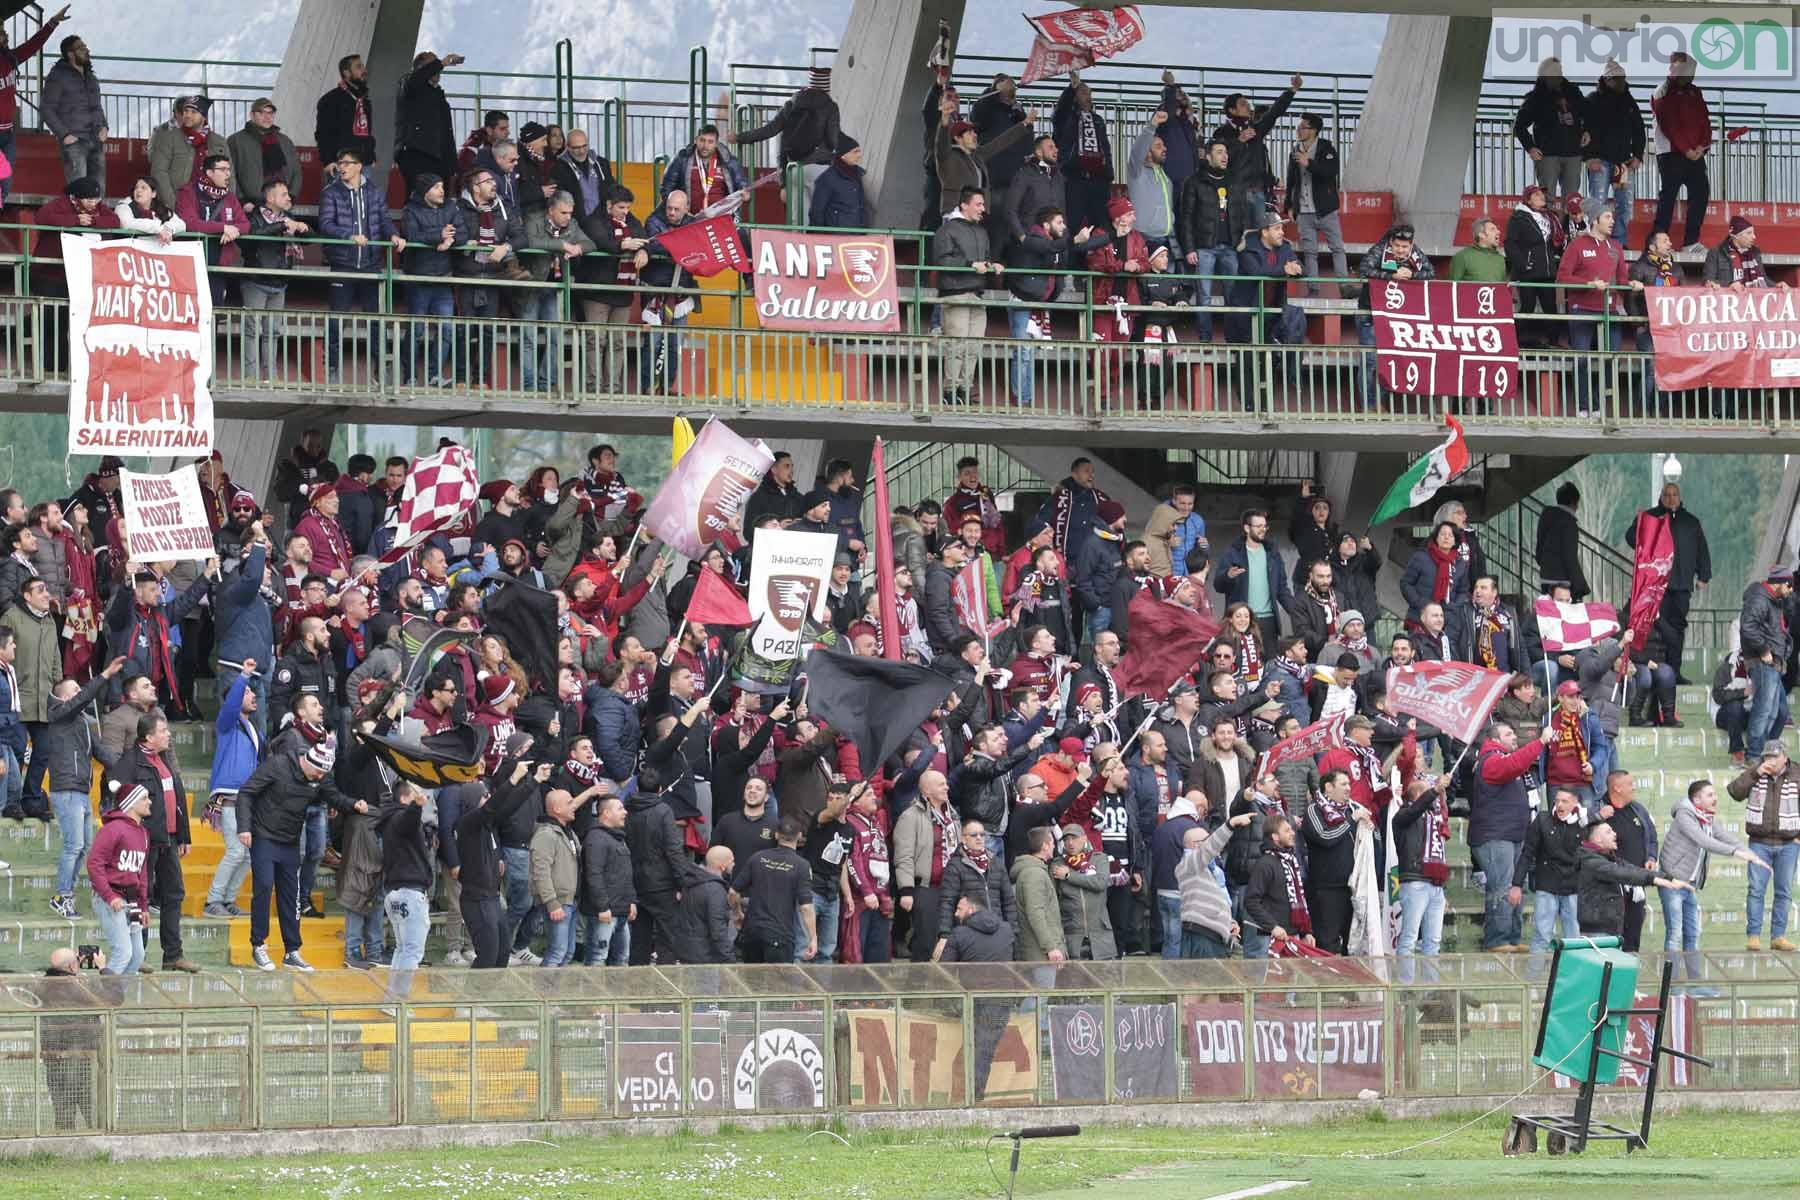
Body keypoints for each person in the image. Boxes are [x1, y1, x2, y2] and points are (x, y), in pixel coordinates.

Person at [237, 740, 365, 972]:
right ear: (307, 762)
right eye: (316, 772)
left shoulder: (320, 777)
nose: (318, 777)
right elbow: (247, 792)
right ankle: (259, 945)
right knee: (264, 887)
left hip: (290, 841)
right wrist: (244, 827)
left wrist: (354, 804)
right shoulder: (277, 765)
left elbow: (334, 796)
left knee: (291, 896)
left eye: (322, 774)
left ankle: (292, 950)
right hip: (264, 835)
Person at [318, 148, 406, 384]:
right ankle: (332, 370)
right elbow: (325, 224)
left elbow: (385, 220)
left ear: (359, 166)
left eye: (347, 163)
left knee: (377, 320)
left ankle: (380, 373)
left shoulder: (374, 192)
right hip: (343, 264)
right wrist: (349, 235)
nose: (342, 167)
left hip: (370, 264)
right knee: (337, 320)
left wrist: (395, 236)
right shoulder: (331, 192)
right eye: (340, 163)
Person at [1662, 780, 1762, 978]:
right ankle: (1671, 987)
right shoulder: (1685, 815)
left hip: (1689, 885)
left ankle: (1695, 983)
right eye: (1709, 795)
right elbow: (1704, 841)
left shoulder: (1706, 817)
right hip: (1672, 881)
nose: (1715, 798)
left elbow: (1725, 837)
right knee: (1675, 934)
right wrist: (1736, 853)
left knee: (1692, 934)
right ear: (1696, 799)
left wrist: (1751, 853)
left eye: (1714, 794)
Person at [1469, 720, 1551, 952]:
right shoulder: (1491, 760)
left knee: (1516, 887)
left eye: (1514, 732)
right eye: (1508, 733)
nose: (1514, 736)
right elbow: (1514, 763)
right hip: (1495, 836)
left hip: (1512, 835)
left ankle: (1513, 938)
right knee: (1503, 887)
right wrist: (1541, 741)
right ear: (1494, 739)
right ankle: (1498, 940)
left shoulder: (1503, 760)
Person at [1556, 207, 1638, 415]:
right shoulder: (1577, 245)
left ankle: (1598, 404)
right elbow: (1563, 277)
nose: (1612, 221)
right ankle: (1584, 406)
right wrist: (1588, 284)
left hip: (1609, 310)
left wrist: (1632, 284)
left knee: (1611, 358)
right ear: (1594, 220)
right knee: (1581, 359)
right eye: (1607, 217)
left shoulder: (1616, 247)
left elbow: (1621, 280)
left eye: (1612, 217)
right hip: (1582, 309)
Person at [1626, 482, 1711, 682]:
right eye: (1667, 494)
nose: (1671, 498)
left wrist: (1704, 576)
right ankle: (1659, 669)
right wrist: (1643, 528)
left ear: (1680, 497)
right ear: (1661, 496)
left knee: (1678, 628)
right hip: (1656, 585)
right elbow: (1631, 537)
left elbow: (1702, 551)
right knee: (1658, 627)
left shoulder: (1691, 522)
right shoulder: (1650, 516)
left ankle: (1675, 671)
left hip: (1682, 585)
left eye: (1674, 494)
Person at [930, 186, 1004, 406]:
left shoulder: (981, 232)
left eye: (983, 204)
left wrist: (992, 265)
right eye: (979, 204)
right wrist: (971, 265)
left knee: (973, 348)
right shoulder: (947, 229)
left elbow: (985, 258)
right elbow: (941, 261)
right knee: (957, 346)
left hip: (976, 294)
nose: (983, 209)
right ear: (964, 204)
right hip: (955, 294)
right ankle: (949, 392)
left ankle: (964, 389)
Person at [731, 64, 840, 208]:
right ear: (827, 86)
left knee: (798, 220)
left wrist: (740, 137)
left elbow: (770, 130)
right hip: (817, 169)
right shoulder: (830, 107)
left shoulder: (792, 104)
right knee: (821, 213)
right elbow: (834, 141)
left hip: (792, 169)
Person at [397, 172, 468, 387]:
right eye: (437, 187)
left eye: (442, 187)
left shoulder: (450, 207)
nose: (442, 191)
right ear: (425, 191)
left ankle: (434, 375)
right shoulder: (411, 210)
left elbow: (463, 233)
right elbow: (411, 236)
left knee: (446, 328)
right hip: (418, 279)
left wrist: (449, 241)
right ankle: (410, 376)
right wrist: (439, 234)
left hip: (443, 279)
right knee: (416, 330)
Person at [1729, 740, 1800, 952]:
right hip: (1759, 842)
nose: (1769, 761)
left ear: (1784, 757)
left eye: (1773, 757)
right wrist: (1755, 772)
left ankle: (1778, 936)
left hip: (1789, 843)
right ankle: (1753, 936)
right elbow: (1734, 791)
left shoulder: (1797, 774)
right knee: (1756, 890)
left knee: (1784, 891)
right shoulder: (1755, 772)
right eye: (1766, 757)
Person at [523, 190, 594, 392]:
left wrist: (578, 248)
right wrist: (562, 245)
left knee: (555, 336)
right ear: (551, 210)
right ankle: (529, 386)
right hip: (531, 284)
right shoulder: (533, 219)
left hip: (553, 288)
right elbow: (530, 241)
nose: (568, 217)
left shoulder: (572, 224)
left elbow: (591, 243)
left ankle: (546, 384)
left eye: (570, 213)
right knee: (528, 336)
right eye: (564, 213)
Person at [1576, 819, 1688, 938]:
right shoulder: (1591, 862)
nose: (1614, 834)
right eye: (1608, 832)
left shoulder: (1608, 858)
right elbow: (1622, 873)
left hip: (1610, 928)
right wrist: (1652, 880)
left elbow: (1635, 870)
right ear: (1597, 839)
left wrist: (1668, 878)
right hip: (1597, 930)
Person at [1511, 786, 1586, 953]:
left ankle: (1571, 977)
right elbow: (1527, 853)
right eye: (1557, 800)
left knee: (1573, 938)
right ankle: (1534, 978)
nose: (1559, 805)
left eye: (1564, 801)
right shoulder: (1543, 819)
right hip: (1547, 885)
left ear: (1575, 803)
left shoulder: (1584, 823)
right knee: (1541, 936)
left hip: (1573, 887)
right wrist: (1516, 884)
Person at [88, 781, 152, 975]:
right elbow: (94, 863)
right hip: (111, 897)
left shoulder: (143, 833)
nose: (149, 802)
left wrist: (143, 906)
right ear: (130, 803)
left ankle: (117, 997)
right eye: (144, 798)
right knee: (123, 952)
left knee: (137, 955)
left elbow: (141, 872)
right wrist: (109, 896)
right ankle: (104, 998)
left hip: (131, 901)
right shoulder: (112, 829)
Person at [735, 814, 817, 963]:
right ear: (799, 836)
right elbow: (806, 907)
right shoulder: (802, 865)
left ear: (777, 834)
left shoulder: (757, 857)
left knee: (750, 982)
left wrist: (738, 912)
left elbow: (733, 892)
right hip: (780, 936)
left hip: (752, 933)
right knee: (778, 985)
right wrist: (813, 938)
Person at [1651, 52, 1711, 251]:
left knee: (1701, 192)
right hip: (1670, 153)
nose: (1691, 75)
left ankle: (1691, 241)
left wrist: (1704, 145)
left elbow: (1705, 121)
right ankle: (1658, 240)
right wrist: (1685, 149)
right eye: (1688, 71)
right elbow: (1668, 124)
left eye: (1693, 71)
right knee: (1668, 195)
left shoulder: (1696, 92)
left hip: (1696, 154)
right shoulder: (1662, 91)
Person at [1283, 112, 1344, 292]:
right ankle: (1313, 288)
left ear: (1314, 130)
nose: (1298, 130)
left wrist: (1308, 163)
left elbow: (1330, 172)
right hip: (1303, 211)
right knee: (1310, 252)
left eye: (1303, 127)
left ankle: (1344, 286)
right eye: (1298, 127)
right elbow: (1291, 181)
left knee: (1337, 248)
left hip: (1326, 209)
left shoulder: (1327, 149)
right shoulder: (1295, 151)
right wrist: (1289, 206)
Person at [1584, 61, 1643, 244]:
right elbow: (1582, 130)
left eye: (1622, 79)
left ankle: (1619, 242)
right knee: (1597, 202)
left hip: (1622, 162)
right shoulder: (1592, 100)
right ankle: (1596, 239)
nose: (1620, 83)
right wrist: (1587, 158)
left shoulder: (1629, 102)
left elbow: (1639, 130)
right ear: (1606, 80)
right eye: (1616, 79)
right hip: (1599, 160)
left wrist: (1638, 155)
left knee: (1625, 204)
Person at [1211, 509, 1289, 646]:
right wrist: (1228, 576)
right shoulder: (1233, 553)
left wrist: (1297, 611)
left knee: (1269, 664)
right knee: (1243, 664)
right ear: (1247, 528)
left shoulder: (1273, 553)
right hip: (1242, 621)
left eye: (1265, 526)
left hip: (1269, 621)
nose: (1263, 530)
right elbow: (1218, 585)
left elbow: (1282, 588)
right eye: (1259, 526)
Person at [1391, 779, 1449, 961]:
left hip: (1435, 885)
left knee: (1433, 942)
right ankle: (1405, 986)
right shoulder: (1402, 816)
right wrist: (1434, 791)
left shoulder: (1434, 819)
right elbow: (1414, 811)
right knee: (1409, 938)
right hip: (1414, 882)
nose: (1433, 795)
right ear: (1417, 795)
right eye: (1428, 791)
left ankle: (1430, 988)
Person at [1739, 567, 1793, 760]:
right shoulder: (1758, 599)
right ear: (1778, 583)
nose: (1791, 590)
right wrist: (1763, 650)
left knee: (1781, 712)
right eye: (1789, 585)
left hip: (1775, 661)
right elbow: (1748, 627)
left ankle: (1766, 751)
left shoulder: (1776, 600)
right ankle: (1754, 756)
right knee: (1763, 710)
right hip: (1762, 661)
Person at [41, 30, 106, 191]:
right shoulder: (58, 76)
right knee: (79, 192)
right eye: (81, 47)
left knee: (99, 190)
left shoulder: (91, 76)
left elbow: (97, 106)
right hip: (75, 142)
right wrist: (64, 135)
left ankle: (95, 217)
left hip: (96, 140)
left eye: (85, 47)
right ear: (70, 54)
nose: (87, 50)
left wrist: (104, 126)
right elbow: (46, 109)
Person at [1513, 57, 1587, 198]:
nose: (1557, 75)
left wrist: (1587, 131)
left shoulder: (1574, 92)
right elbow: (1519, 126)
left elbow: (1587, 114)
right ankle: (1547, 221)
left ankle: (1569, 221)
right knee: (1546, 199)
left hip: (1573, 152)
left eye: (1559, 71)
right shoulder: (1535, 98)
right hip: (1547, 154)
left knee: (1572, 200)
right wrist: (1530, 147)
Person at [529, 786, 584, 967]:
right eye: (569, 802)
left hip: (570, 900)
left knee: (567, 952)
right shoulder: (546, 834)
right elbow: (541, 871)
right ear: (557, 809)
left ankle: (556, 993)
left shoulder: (568, 832)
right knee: (557, 952)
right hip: (558, 902)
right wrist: (552, 903)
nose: (574, 805)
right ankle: (543, 992)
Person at [395, 51, 464, 190]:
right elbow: (414, 81)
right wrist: (442, 63)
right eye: (433, 65)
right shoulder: (409, 84)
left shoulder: (438, 94)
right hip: (417, 153)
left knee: (440, 204)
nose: (438, 70)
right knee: (419, 200)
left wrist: (452, 164)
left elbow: (446, 130)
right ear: (420, 68)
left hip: (440, 157)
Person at [581, 793, 636, 966]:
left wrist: (632, 901)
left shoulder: (618, 838)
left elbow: (626, 874)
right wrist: (602, 907)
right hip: (604, 913)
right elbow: (594, 875)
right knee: (597, 958)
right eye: (620, 808)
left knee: (622, 959)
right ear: (605, 814)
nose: (625, 812)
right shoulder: (596, 838)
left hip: (621, 910)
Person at [147, 93, 228, 212]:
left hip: (212, 205)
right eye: (186, 111)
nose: (188, 115)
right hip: (178, 205)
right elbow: (159, 172)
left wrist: (225, 205)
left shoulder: (219, 142)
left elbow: (229, 177)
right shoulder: (168, 138)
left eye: (193, 112)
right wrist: (172, 203)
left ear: (204, 116)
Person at [1241, 812, 1306, 958]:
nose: (1292, 833)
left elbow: (1299, 898)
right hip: (1268, 938)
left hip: (1290, 936)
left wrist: (1306, 931)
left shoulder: (1291, 861)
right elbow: (1251, 901)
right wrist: (1272, 927)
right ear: (1275, 836)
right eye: (1287, 830)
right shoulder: (1265, 864)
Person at [1505, 185, 1558, 348]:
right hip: (1528, 271)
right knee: (1527, 306)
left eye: (1542, 193)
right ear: (1528, 199)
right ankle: (1511, 341)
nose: (1541, 196)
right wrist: (1523, 263)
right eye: (1536, 194)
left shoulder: (1550, 217)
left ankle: (1553, 342)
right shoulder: (1518, 217)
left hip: (1547, 271)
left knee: (1551, 308)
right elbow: (1510, 244)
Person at [1055, 821, 1115, 961]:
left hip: (1100, 935)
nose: (1070, 843)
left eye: (1074, 838)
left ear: (1084, 838)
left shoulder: (1099, 859)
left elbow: (1100, 883)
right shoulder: (1058, 864)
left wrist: (1070, 876)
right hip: (1072, 936)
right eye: (1066, 839)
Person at [225, 97, 298, 205]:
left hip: (281, 204)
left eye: (270, 113)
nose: (267, 117)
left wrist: (291, 196)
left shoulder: (285, 141)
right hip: (251, 205)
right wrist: (242, 201)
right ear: (252, 115)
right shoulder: (236, 141)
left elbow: (296, 171)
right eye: (261, 113)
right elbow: (229, 173)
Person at [670, 846, 736, 965]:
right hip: (705, 956)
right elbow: (718, 929)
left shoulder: (691, 881)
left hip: (686, 949)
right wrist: (729, 960)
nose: (734, 864)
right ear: (722, 866)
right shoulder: (715, 890)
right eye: (731, 861)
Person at [1011, 826, 1067, 962]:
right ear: (1045, 846)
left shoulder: (1037, 870)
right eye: (1052, 842)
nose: (1054, 846)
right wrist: (1050, 947)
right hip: (1041, 956)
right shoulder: (1034, 874)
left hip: (1042, 954)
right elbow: (1036, 913)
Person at [315, 54, 376, 170]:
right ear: (347, 73)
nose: (364, 70)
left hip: (364, 164)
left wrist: (371, 154)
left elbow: (367, 132)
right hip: (340, 164)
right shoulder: (330, 99)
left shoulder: (364, 101)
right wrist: (328, 160)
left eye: (363, 66)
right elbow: (323, 133)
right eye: (359, 67)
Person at [1534, 483, 1588, 602]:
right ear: (1574, 502)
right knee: (1566, 617)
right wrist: (1580, 585)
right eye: (1577, 503)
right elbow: (1570, 557)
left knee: (1549, 615)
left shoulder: (1547, 517)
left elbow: (1539, 547)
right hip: (1563, 581)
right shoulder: (1569, 523)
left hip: (1545, 578)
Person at [1448, 217, 1506, 282]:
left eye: (1497, 229)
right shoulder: (1462, 257)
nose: (1499, 232)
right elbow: (1451, 288)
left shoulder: (1500, 259)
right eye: (1492, 229)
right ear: (1481, 235)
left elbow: (1502, 289)